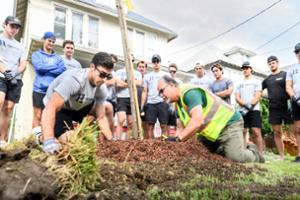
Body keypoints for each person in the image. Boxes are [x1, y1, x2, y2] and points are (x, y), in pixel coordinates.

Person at [157, 75, 264, 163]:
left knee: (235, 158)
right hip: (211, 133)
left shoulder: (189, 93)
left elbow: (197, 121)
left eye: (162, 91)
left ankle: (255, 153)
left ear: (172, 84)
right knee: (197, 154)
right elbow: (180, 130)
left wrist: (177, 139)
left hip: (228, 124)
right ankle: (225, 148)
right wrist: (172, 144)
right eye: (159, 93)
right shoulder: (177, 105)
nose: (161, 95)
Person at [41, 52, 114, 154]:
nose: (104, 80)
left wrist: (113, 142)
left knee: (108, 107)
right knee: (70, 139)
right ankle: (41, 135)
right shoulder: (75, 80)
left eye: (108, 76)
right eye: (102, 74)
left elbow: (101, 118)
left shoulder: (101, 88)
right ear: (92, 67)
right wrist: (48, 139)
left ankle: (104, 144)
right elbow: (51, 108)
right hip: (60, 107)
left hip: (78, 105)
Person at [31, 31, 66, 143]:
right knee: (37, 115)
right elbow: (39, 67)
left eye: (53, 41)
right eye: (49, 40)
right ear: (43, 40)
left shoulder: (58, 58)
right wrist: (53, 68)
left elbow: (62, 70)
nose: (51, 43)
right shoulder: (36, 55)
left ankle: (46, 139)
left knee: (50, 115)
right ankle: (35, 140)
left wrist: (46, 68)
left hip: (53, 91)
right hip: (39, 89)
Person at [0, 16, 27, 147]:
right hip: (1, 76)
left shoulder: (20, 46)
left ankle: (2, 140)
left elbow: (23, 64)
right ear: (4, 25)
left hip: (14, 80)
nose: (14, 29)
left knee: (7, 109)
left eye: (17, 27)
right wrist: (6, 72)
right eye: (12, 26)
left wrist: (15, 73)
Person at [262, 56, 294, 161]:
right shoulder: (267, 80)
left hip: (287, 106)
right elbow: (259, 91)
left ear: (278, 63)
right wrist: (267, 96)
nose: (272, 65)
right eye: (270, 63)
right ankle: (281, 157)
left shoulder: (285, 75)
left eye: (273, 63)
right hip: (274, 108)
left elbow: (292, 87)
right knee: (277, 132)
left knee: (295, 131)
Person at [235, 61, 264, 153]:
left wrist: (249, 106)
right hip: (242, 110)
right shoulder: (239, 82)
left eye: (247, 68)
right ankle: (244, 153)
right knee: (243, 131)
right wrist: (244, 106)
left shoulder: (256, 81)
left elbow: (258, 95)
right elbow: (237, 97)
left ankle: (260, 155)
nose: (245, 70)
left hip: (254, 110)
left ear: (251, 69)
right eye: (243, 68)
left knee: (256, 132)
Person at [142, 54, 169, 139]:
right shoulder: (147, 76)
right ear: (152, 63)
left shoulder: (166, 75)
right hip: (150, 103)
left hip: (162, 102)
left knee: (164, 126)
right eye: (154, 61)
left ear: (160, 62)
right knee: (150, 126)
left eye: (157, 61)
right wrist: (141, 106)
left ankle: (165, 147)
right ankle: (151, 147)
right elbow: (144, 91)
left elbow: (170, 89)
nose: (156, 63)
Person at [115, 61, 142, 140]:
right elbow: (118, 84)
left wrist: (125, 83)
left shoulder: (137, 73)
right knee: (121, 120)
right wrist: (131, 83)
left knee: (130, 123)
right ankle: (118, 141)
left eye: (132, 59)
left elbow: (139, 83)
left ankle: (127, 143)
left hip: (133, 99)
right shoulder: (119, 72)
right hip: (121, 97)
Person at [286, 43, 300, 163]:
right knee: (298, 129)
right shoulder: (291, 69)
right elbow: (288, 86)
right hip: (296, 101)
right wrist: (294, 98)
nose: (299, 53)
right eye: (297, 51)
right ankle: (299, 155)